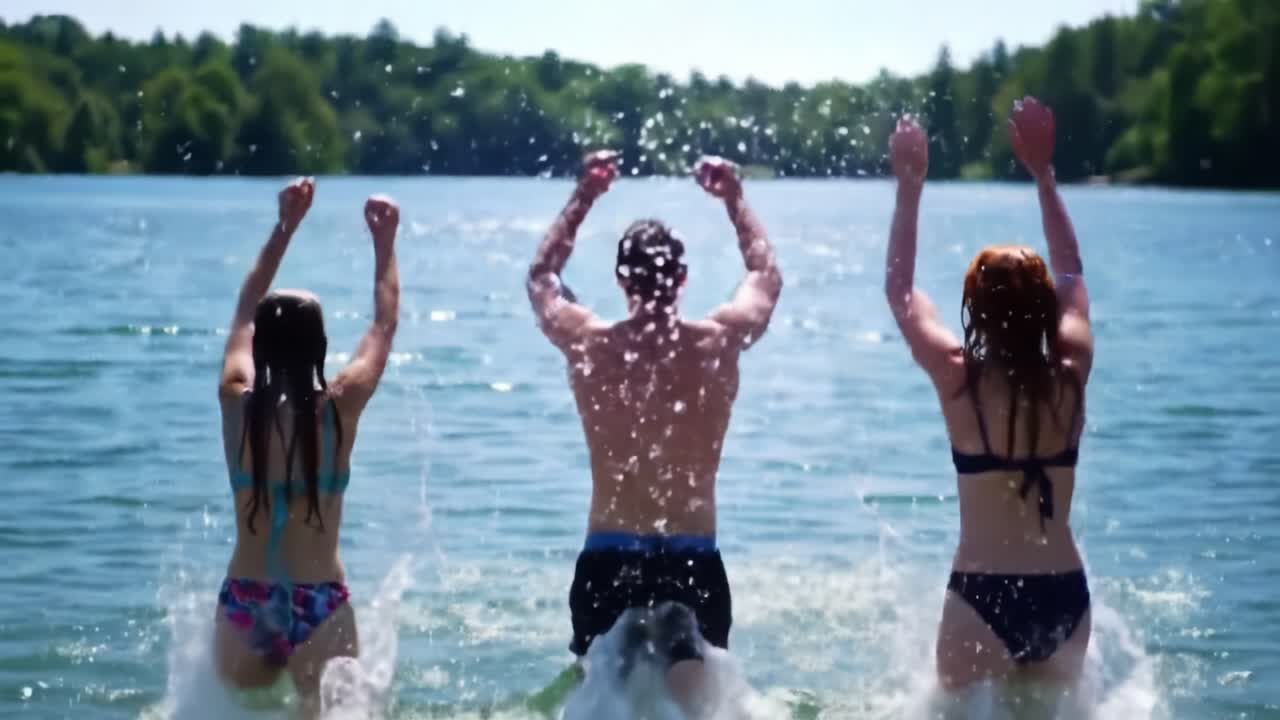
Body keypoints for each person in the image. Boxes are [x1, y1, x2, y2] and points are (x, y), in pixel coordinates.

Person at [526, 151, 783, 665]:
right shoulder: (719, 344)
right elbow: (765, 272)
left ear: (622, 279)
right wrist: (733, 197)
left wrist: (585, 195)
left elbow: (541, 276)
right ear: (683, 277)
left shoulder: (590, 346)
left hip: (608, 557)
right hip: (694, 558)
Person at [883, 97, 1094, 690]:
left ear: (974, 311)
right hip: (1063, 593)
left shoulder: (959, 379)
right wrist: (1044, 175)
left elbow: (900, 291)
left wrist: (910, 187)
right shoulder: (1071, 373)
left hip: (983, 593)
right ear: (1046, 309)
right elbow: (1072, 270)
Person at [215, 177, 400, 713]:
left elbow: (245, 309)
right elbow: (384, 326)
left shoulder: (236, 402)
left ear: (261, 347)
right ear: (321, 347)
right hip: (316, 603)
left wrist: (284, 228)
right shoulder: (338, 409)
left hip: (245, 601)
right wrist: (384, 244)